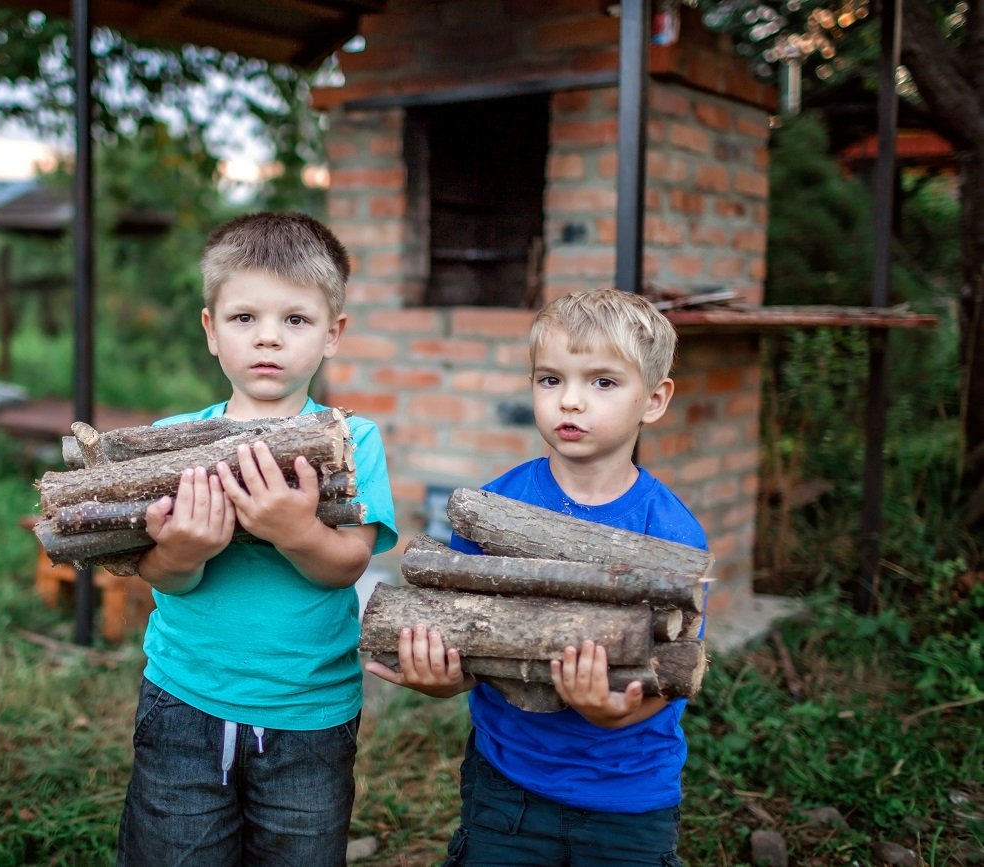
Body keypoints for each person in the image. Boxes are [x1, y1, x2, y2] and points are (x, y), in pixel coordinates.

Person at [366, 288, 707, 866]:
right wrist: (441, 678)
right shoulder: (494, 507)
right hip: (508, 785)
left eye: (602, 382)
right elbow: (473, 643)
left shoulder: (670, 533)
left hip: (627, 794)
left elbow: (673, 673)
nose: (570, 401)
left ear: (654, 399)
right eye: (550, 380)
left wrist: (612, 709)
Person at [117, 211, 398, 867]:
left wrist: (296, 532)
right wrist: (183, 552)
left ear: (334, 333)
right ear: (212, 330)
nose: (269, 337)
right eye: (245, 318)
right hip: (185, 696)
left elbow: (348, 562)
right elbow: (162, 572)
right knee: (174, 852)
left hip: (311, 708)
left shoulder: (352, 441)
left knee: (297, 851)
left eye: (295, 320)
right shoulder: (173, 442)